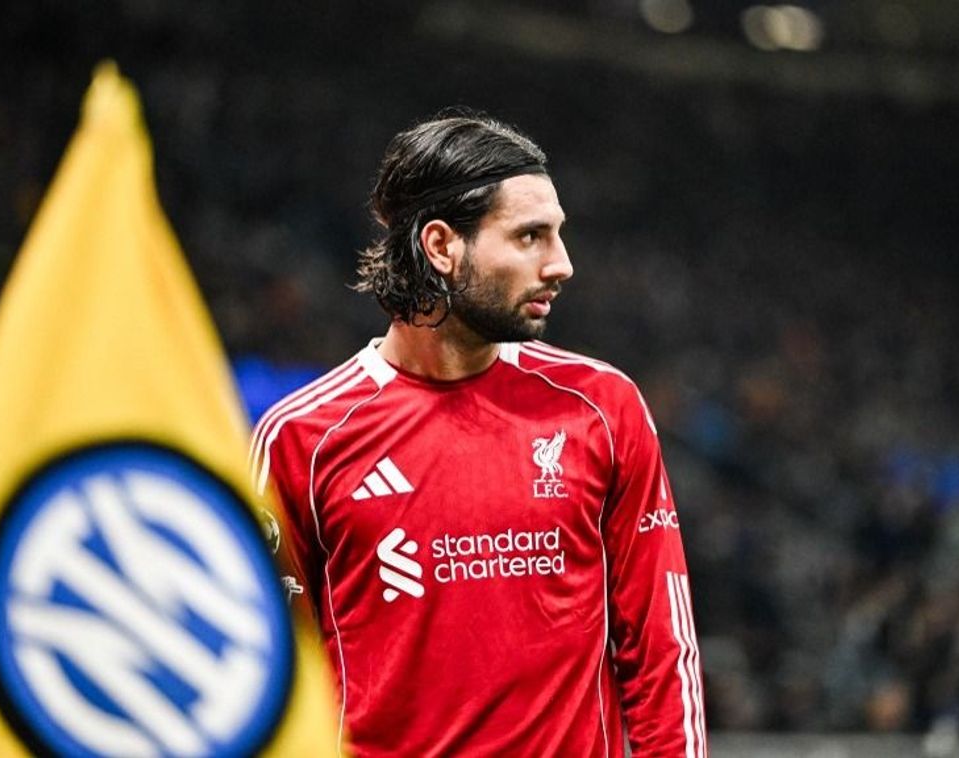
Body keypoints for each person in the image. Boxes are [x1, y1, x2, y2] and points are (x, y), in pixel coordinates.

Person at [249, 113, 705, 756]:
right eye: (530, 237)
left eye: (558, 235)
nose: (562, 264)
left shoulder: (601, 409)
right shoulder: (303, 439)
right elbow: (264, 676)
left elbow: (662, 652)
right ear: (442, 246)